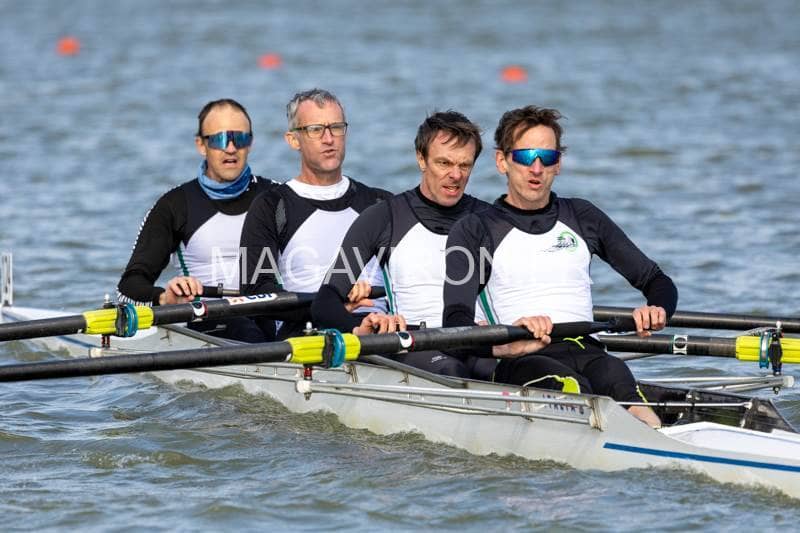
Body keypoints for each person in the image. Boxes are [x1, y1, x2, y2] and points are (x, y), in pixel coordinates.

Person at [442, 105, 677, 427]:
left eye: (547, 157)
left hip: (587, 349)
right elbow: (454, 323)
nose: (536, 168)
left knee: (618, 379)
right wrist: (504, 346)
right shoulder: (475, 230)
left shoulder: (583, 217)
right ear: (502, 161)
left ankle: (658, 435)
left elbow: (657, 280)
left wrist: (657, 309)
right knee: (571, 387)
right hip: (524, 358)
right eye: (525, 157)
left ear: (558, 164)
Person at [312, 110, 552, 378]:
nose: (455, 175)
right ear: (421, 158)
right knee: (451, 370)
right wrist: (358, 329)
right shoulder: (383, 218)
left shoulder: (491, 220)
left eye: (464, 165)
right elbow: (325, 301)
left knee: (530, 369)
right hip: (414, 343)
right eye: (444, 163)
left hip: (478, 342)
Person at [117, 98, 278, 342]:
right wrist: (165, 298)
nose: (231, 149)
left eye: (240, 138)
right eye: (220, 140)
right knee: (245, 331)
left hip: (273, 313)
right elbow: (128, 288)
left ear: (250, 143)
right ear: (201, 145)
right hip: (208, 320)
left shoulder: (278, 196)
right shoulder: (174, 205)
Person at [239, 88, 391, 338]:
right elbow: (255, 292)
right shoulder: (271, 206)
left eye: (336, 127)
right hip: (308, 332)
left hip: (381, 328)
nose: (329, 139)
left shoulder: (380, 202)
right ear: (293, 140)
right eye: (315, 129)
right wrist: (331, 308)